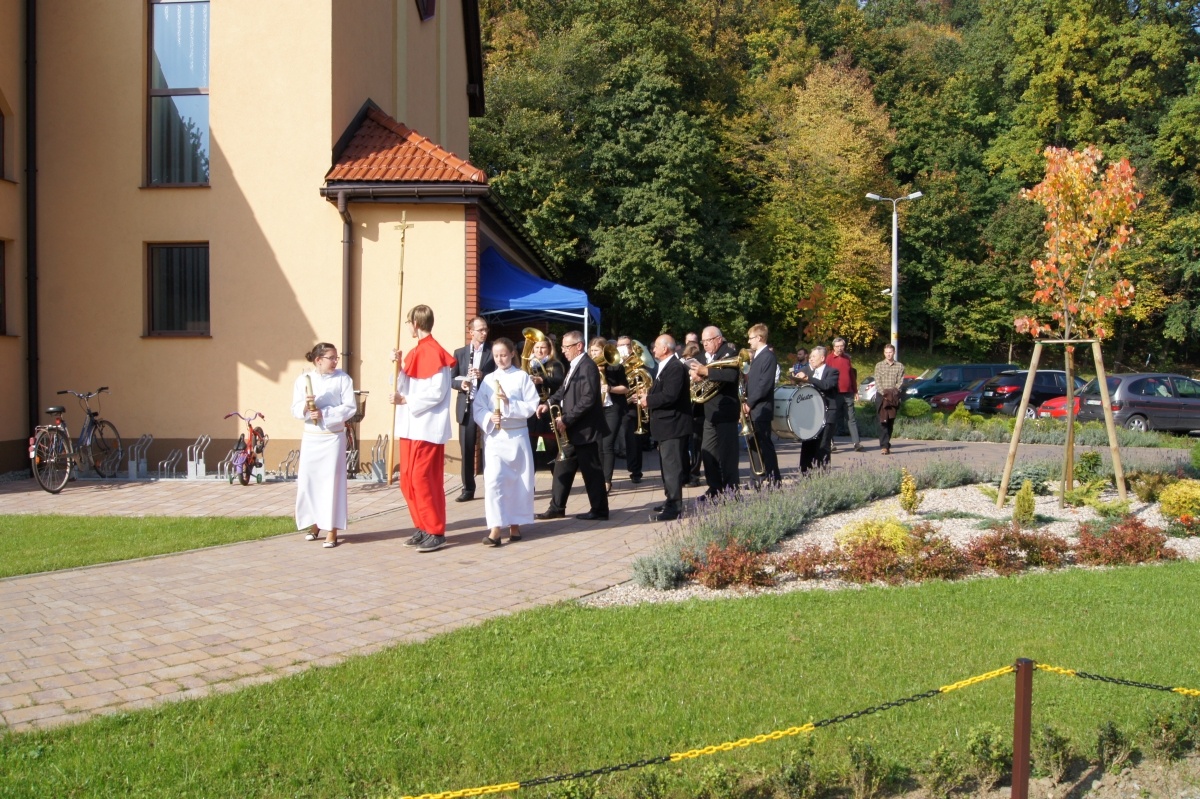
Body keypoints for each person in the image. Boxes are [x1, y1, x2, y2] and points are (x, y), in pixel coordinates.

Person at [391, 304, 457, 553]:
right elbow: (402, 385)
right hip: (410, 427)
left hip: (427, 426)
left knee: (424, 479)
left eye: (409, 322)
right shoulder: (414, 352)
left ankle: (435, 530)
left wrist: (406, 400)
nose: (408, 326)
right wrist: (398, 366)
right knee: (407, 479)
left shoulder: (435, 352)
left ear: (416, 324)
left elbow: (437, 392)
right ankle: (421, 525)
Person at [535, 330, 610, 521]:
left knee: (591, 471)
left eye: (567, 347)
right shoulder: (575, 364)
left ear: (579, 346)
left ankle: (600, 510)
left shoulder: (588, 366)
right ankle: (557, 507)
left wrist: (566, 419)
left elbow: (588, 398)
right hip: (573, 430)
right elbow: (564, 389)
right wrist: (548, 403)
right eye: (562, 347)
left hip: (584, 430)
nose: (563, 350)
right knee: (562, 467)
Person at [473, 338, 540, 546]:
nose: (500, 359)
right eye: (496, 356)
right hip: (496, 438)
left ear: (512, 354)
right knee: (494, 481)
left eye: (503, 355)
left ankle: (515, 525)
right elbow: (478, 407)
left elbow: (532, 405)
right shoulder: (488, 379)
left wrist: (509, 403)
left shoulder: (522, 377)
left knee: (517, 482)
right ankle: (495, 528)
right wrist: (489, 417)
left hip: (517, 437)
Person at [292, 343, 358, 548]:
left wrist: (324, 413)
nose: (335, 361)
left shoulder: (343, 379)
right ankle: (315, 524)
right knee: (310, 482)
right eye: (331, 358)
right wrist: (306, 407)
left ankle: (332, 530)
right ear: (318, 360)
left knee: (331, 483)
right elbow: (295, 408)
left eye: (336, 357)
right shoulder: (304, 379)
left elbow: (350, 407)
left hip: (332, 438)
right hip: (312, 438)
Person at [639, 334, 691, 521]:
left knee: (672, 468)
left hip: (673, 425)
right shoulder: (666, 366)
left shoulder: (675, 367)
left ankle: (674, 507)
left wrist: (648, 400)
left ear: (665, 348)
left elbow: (670, 395)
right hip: (666, 425)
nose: (653, 349)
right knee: (667, 467)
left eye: (656, 346)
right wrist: (648, 394)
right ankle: (670, 500)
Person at [688, 326, 740, 497]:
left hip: (726, 412)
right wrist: (694, 375)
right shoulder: (701, 357)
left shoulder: (730, 353)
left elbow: (731, 376)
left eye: (708, 341)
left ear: (718, 339)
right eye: (703, 341)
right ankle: (714, 489)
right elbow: (693, 371)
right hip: (709, 413)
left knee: (728, 455)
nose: (705, 344)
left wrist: (706, 372)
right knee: (707, 452)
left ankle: (732, 491)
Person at [450, 317, 495, 502]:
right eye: (481, 330)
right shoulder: (460, 353)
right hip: (467, 406)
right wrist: (462, 384)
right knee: (467, 449)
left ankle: (493, 487)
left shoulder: (493, 351)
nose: (484, 332)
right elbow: (451, 379)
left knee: (491, 447)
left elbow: (499, 375)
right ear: (471, 332)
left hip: (486, 406)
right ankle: (468, 488)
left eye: (486, 329)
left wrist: (482, 375)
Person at [744, 324, 781, 487]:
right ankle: (756, 479)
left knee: (765, 445)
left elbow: (764, 384)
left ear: (759, 338)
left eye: (751, 338)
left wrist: (749, 403)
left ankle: (774, 480)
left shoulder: (768, 356)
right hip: (754, 407)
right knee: (754, 445)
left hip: (761, 408)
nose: (749, 341)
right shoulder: (758, 356)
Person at [590, 337, 628, 494]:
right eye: (592, 351)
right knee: (598, 445)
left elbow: (625, 388)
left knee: (607, 444)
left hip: (612, 408)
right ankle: (599, 479)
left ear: (604, 351)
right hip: (596, 409)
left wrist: (610, 388)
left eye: (597, 351)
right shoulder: (588, 366)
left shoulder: (615, 367)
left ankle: (607, 481)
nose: (594, 354)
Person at [794, 345, 839, 474]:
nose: (811, 359)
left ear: (822, 358)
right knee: (807, 444)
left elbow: (826, 385)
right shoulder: (808, 371)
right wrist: (797, 378)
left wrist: (809, 379)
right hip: (811, 414)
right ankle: (805, 474)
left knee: (823, 445)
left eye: (814, 356)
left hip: (827, 413)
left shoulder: (832, 372)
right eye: (810, 357)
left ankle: (822, 476)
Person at [526, 337, 565, 458]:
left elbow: (559, 380)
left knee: (550, 446)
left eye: (543, 347)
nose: (539, 350)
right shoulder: (528, 364)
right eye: (536, 347)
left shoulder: (555, 364)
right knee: (531, 447)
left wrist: (542, 379)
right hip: (532, 410)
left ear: (549, 349)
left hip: (548, 408)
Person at [616, 335, 647, 484]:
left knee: (633, 440)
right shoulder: (612, 362)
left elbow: (645, 383)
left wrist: (639, 394)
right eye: (620, 345)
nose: (623, 348)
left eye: (626, 345)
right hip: (614, 405)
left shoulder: (639, 364)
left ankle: (635, 471)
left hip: (630, 408)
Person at [826, 337, 863, 452]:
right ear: (833, 347)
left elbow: (851, 375)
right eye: (837, 346)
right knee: (832, 418)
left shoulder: (847, 358)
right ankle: (830, 442)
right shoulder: (829, 359)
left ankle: (856, 443)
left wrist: (855, 391)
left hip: (848, 393)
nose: (839, 348)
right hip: (835, 393)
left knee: (851, 418)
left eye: (841, 346)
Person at [874, 344, 905, 455]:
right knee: (882, 422)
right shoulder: (879, 365)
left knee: (890, 422)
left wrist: (893, 393)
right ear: (884, 353)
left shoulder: (900, 366)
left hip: (893, 397)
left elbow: (900, 382)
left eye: (890, 352)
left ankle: (887, 443)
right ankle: (884, 446)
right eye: (886, 352)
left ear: (894, 352)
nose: (888, 354)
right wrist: (884, 393)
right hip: (882, 396)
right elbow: (877, 381)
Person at [681, 340, 704, 487]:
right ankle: (687, 474)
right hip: (687, 410)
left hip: (697, 410)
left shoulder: (701, 367)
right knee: (687, 444)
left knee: (695, 444)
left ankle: (694, 475)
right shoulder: (682, 367)